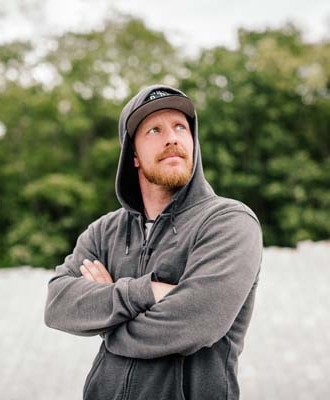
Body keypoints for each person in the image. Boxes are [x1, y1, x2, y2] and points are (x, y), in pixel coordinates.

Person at [44, 84, 263, 400]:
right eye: (154, 130)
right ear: (133, 155)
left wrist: (109, 322)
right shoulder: (105, 231)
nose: (172, 138)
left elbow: (194, 323)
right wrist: (146, 291)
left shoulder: (228, 222)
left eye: (180, 127)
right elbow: (58, 304)